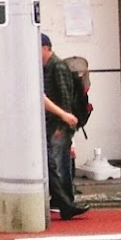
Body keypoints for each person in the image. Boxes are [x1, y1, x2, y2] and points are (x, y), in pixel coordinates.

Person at [42, 34, 89, 220]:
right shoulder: (46, 67)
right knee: (54, 162)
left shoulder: (58, 66)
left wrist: (64, 122)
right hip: (53, 121)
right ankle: (64, 203)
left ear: (46, 47)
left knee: (59, 162)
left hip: (58, 123)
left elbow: (65, 96)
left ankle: (66, 201)